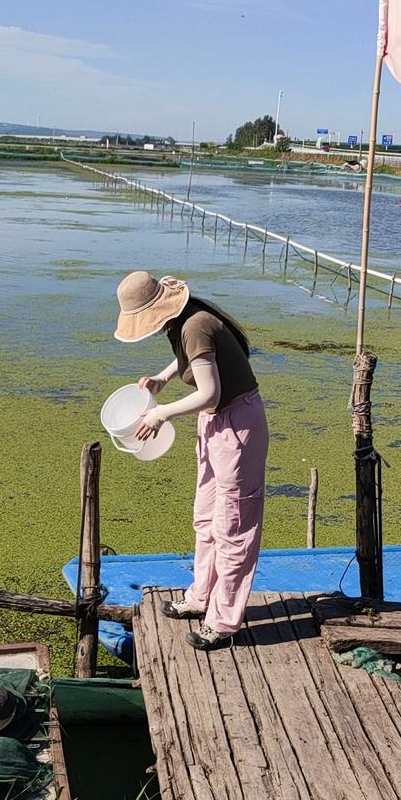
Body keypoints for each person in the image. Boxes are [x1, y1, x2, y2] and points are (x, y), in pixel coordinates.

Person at [114, 271, 269, 651]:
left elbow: (210, 392)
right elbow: (190, 359)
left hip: (236, 422)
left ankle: (223, 621)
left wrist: (160, 413)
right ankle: (201, 595)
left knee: (233, 526)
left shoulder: (195, 325)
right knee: (206, 515)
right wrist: (161, 379)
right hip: (215, 423)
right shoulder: (182, 321)